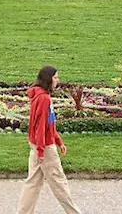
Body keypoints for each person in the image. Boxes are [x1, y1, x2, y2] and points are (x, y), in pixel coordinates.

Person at [15, 65, 82, 214]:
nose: (58, 80)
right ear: (48, 79)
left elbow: (48, 124)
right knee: (60, 183)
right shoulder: (44, 98)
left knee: (32, 183)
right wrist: (41, 151)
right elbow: (40, 126)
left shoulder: (39, 95)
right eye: (56, 77)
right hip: (45, 147)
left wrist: (59, 141)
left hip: (38, 144)